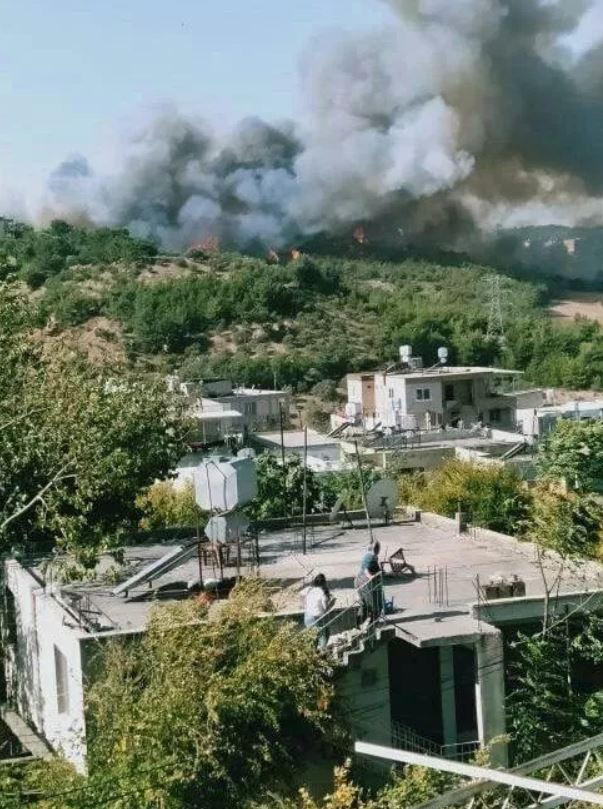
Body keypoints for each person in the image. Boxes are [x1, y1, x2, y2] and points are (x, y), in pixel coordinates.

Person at [304, 573, 334, 649]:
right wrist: (332, 602)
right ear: (324, 583)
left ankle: (313, 654)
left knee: (313, 637)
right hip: (317, 618)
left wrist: (305, 605)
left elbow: (300, 594)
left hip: (307, 616)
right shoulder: (322, 593)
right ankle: (322, 652)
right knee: (323, 635)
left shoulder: (309, 589)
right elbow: (325, 608)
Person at [357, 559, 385, 626]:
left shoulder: (363, 572)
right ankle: (371, 625)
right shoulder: (371, 580)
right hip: (367, 592)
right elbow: (377, 592)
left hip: (361, 591)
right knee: (376, 608)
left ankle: (359, 624)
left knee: (364, 607)